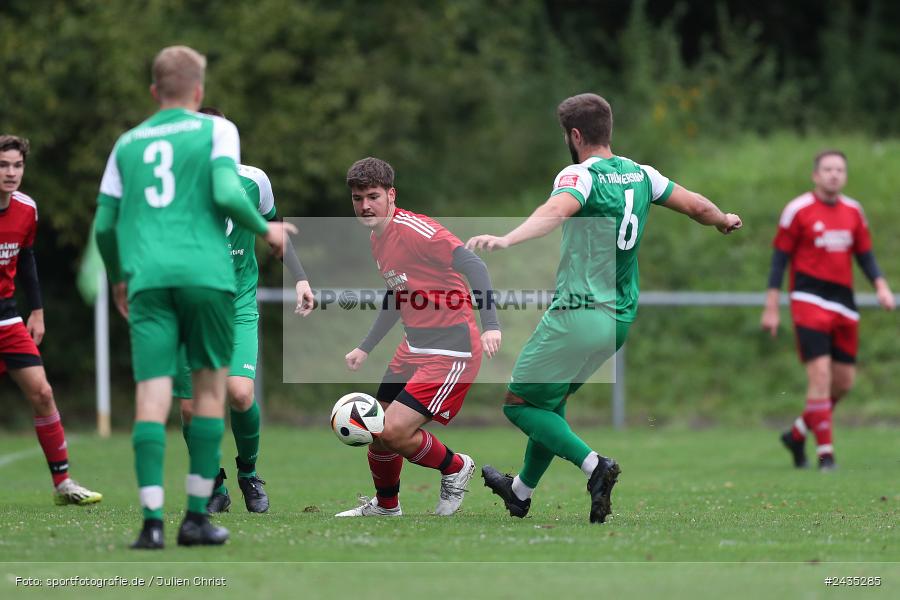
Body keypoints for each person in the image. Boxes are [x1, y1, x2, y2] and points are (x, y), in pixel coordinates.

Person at [466, 93, 741, 523]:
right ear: (607, 129)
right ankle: (519, 492)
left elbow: (555, 211)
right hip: (618, 320)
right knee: (549, 404)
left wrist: (508, 238)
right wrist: (723, 218)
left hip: (576, 313)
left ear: (574, 135)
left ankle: (595, 466)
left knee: (518, 404)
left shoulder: (579, 174)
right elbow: (698, 206)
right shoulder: (642, 175)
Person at [93, 46, 295, 549]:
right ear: (199, 91)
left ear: (153, 92)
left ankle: (151, 523)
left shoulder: (128, 143)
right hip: (204, 278)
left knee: (152, 399)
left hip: (148, 279)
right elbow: (227, 196)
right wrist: (266, 231)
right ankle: (196, 518)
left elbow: (103, 225)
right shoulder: (217, 131)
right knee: (208, 395)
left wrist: (119, 276)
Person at [336, 157, 501, 517]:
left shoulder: (416, 230)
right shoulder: (377, 239)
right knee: (374, 428)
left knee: (393, 431)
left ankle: (456, 467)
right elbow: (398, 295)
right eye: (357, 198)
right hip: (412, 348)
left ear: (391, 195)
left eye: (373, 196)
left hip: (451, 350)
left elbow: (475, 265)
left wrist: (491, 324)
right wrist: (365, 347)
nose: (365, 205)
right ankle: (386, 506)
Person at [174, 106, 314, 515]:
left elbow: (274, 231)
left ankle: (249, 474)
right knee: (190, 407)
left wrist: (300, 277)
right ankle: (212, 481)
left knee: (239, 392)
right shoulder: (175, 189)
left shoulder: (254, 181)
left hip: (237, 305)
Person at [762, 150, 894, 471]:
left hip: (844, 304)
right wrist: (772, 305)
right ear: (816, 175)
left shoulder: (853, 211)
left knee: (843, 383)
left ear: (844, 175)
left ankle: (797, 433)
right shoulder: (798, 210)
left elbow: (864, 254)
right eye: (827, 169)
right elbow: (779, 259)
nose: (834, 174)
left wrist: (880, 285)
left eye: (839, 169)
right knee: (819, 376)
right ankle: (826, 455)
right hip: (809, 301)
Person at [0, 135, 103, 506]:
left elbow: (26, 259)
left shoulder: (27, 209)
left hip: (8, 319)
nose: (11, 173)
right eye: (3, 165)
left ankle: (63, 484)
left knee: (42, 393)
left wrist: (38, 310)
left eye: (17, 165)